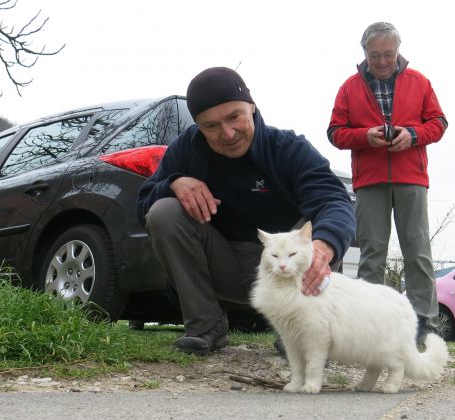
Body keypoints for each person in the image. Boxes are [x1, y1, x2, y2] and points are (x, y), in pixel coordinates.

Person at [137, 67, 356, 355]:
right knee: (163, 210)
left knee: (321, 225)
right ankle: (206, 327)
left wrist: (324, 248)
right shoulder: (186, 150)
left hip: (287, 271)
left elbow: (335, 201)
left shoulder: (289, 149)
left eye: (234, 117)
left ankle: (303, 332)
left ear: (251, 107)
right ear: (199, 126)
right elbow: (142, 206)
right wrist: (173, 183)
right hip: (223, 265)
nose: (227, 134)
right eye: (211, 126)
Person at [327, 22, 448, 344]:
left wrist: (413, 134)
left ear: (398, 51)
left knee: (417, 249)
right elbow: (335, 133)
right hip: (370, 180)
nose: (382, 61)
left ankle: (424, 321)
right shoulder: (349, 87)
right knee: (372, 251)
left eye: (389, 54)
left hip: (411, 177)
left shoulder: (419, 82)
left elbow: (438, 122)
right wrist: (364, 137)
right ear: (364, 52)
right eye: (376, 54)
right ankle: (370, 320)